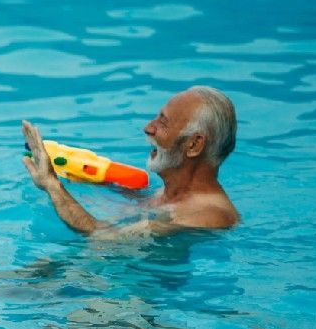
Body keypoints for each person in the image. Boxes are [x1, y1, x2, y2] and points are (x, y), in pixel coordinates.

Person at [22, 86, 241, 235]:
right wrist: (93, 177)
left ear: (193, 145)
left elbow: (103, 238)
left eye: (163, 123)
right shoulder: (169, 194)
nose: (148, 128)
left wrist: (52, 185)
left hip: (144, 296)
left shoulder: (206, 215)